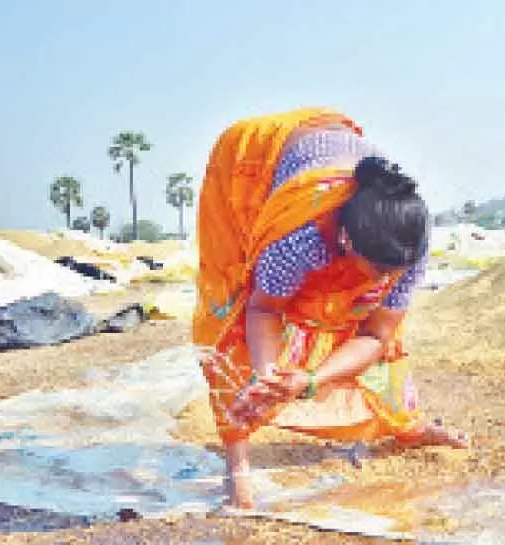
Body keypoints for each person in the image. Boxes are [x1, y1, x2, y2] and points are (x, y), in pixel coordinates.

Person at [193, 107, 468, 508]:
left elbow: (377, 334)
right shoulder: (299, 240)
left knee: (368, 318)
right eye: (375, 271)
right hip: (247, 167)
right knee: (231, 313)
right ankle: (237, 463)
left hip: (329, 159)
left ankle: (409, 425)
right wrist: (267, 378)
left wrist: (309, 379)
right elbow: (263, 310)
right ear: (346, 242)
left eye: (391, 274)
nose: (382, 282)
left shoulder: (411, 245)